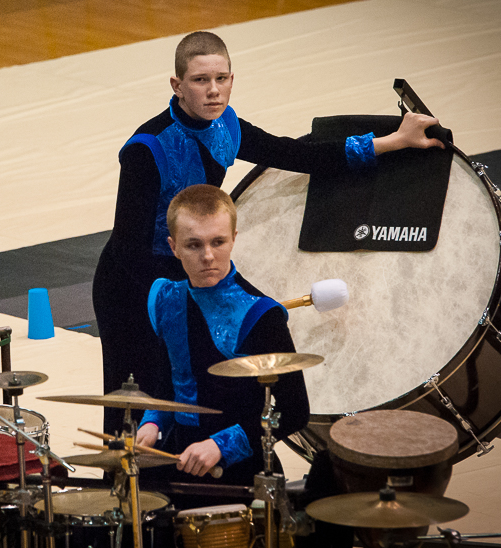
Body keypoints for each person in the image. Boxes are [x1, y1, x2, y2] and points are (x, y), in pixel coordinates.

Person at [93, 31, 444, 436]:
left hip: (192, 262)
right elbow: (128, 249)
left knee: (236, 348)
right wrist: (182, 299)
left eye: (221, 79)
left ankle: (225, 455)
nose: (213, 91)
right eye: (200, 80)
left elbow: (297, 154)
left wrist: (393, 141)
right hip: (132, 284)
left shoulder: (225, 126)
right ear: (177, 85)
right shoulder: (146, 149)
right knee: (141, 399)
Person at [135, 184, 309, 485]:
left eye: (218, 242)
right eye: (193, 245)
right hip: (179, 464)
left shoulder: (261, 315)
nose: (208, 256)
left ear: (234, 239)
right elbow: (167, 384)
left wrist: (219, 445)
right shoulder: (165, 299)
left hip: (243, 473)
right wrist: (153, 422)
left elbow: (294, 410)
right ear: (173, 246)